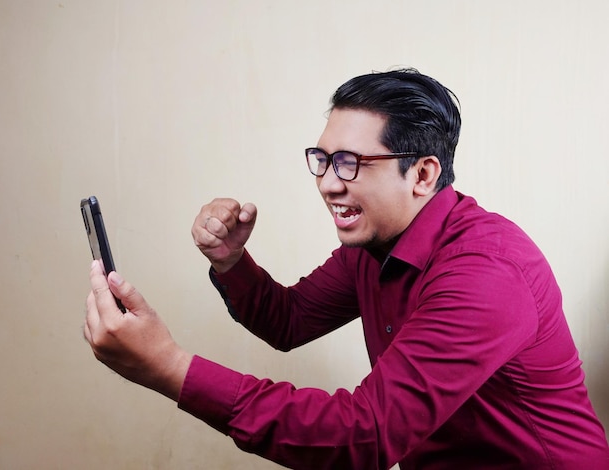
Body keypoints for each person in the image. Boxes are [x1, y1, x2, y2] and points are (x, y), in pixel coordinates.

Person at [84, 68, 609, 469]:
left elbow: (365, 434)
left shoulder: (486, 272)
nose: (328, 183)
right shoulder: (373, 245)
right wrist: (232, 261)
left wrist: (171, 368)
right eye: (324, 158)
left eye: (350, 163)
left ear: (423, 174)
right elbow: (290, 321)